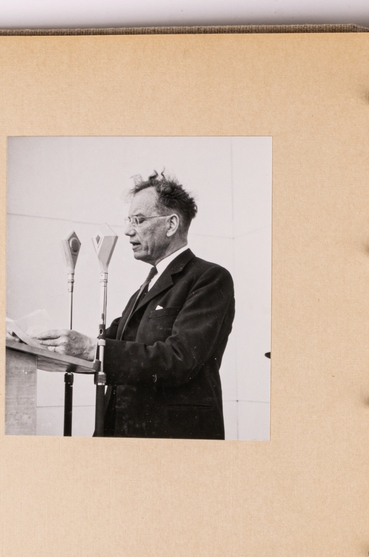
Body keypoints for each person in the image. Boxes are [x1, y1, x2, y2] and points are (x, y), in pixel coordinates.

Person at [36, 171, 235, 439]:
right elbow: (111, 341)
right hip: (122, 431)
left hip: (171, 436)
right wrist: (45, 344)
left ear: (172, 224)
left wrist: (90, 348)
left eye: (138, 220)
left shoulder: (209, 278)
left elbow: (180, 358)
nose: (128, 230)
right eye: (129, 221)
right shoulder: (149, 284)